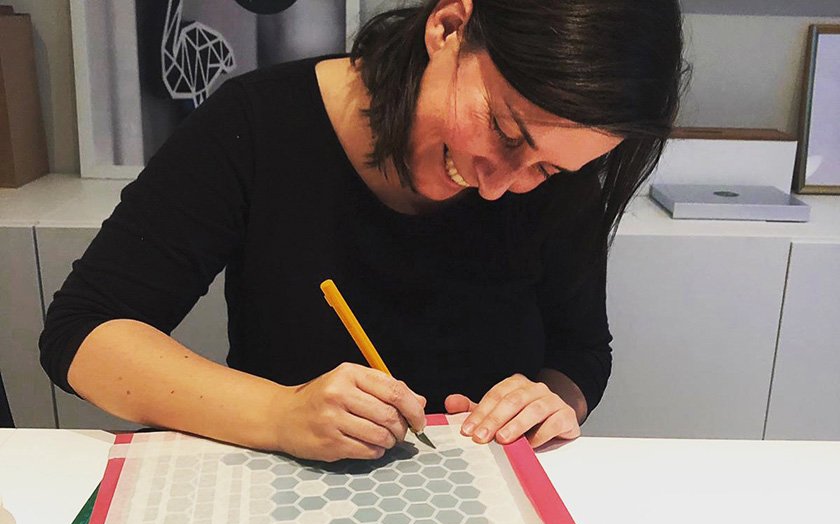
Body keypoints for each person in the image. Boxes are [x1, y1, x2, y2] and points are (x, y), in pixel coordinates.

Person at [40, 0, 685, 462]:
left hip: (482, 512)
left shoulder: (564, 177)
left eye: (544, 166)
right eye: (503, 132)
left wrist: (551, 400)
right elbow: (84, 334)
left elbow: (581, 351)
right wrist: (279, 414)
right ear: (449, 26)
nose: (499, 186)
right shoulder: (260, 127)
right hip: (283, 507)